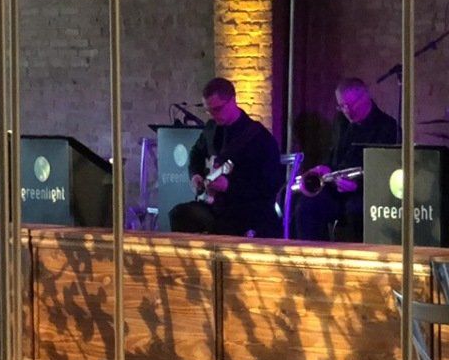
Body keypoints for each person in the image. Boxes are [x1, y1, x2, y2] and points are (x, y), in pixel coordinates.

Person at [170, 77, 283, 237]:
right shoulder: (211, 129)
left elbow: (269, 185)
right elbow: (196, 153)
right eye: (208, 110)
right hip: (214, 206)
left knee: (225, 225)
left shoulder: (258, 138)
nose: (213, 115)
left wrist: (230, 187)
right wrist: (195, 174)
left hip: (245, 210)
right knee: (179, 214)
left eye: (217, 109)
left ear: (233, 100)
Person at [293, 77, 400, 242]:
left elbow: (387, 174)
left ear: (366, 97)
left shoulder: (387, 127)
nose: (348, 111)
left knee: (355, 210)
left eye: (353, 104)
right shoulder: (341, 121)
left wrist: (356, 186)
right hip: (337, 189)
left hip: (365, 194)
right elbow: (334, 154)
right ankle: (313, 260)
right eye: (342, 106)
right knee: (305, 206)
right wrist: (325, 168)